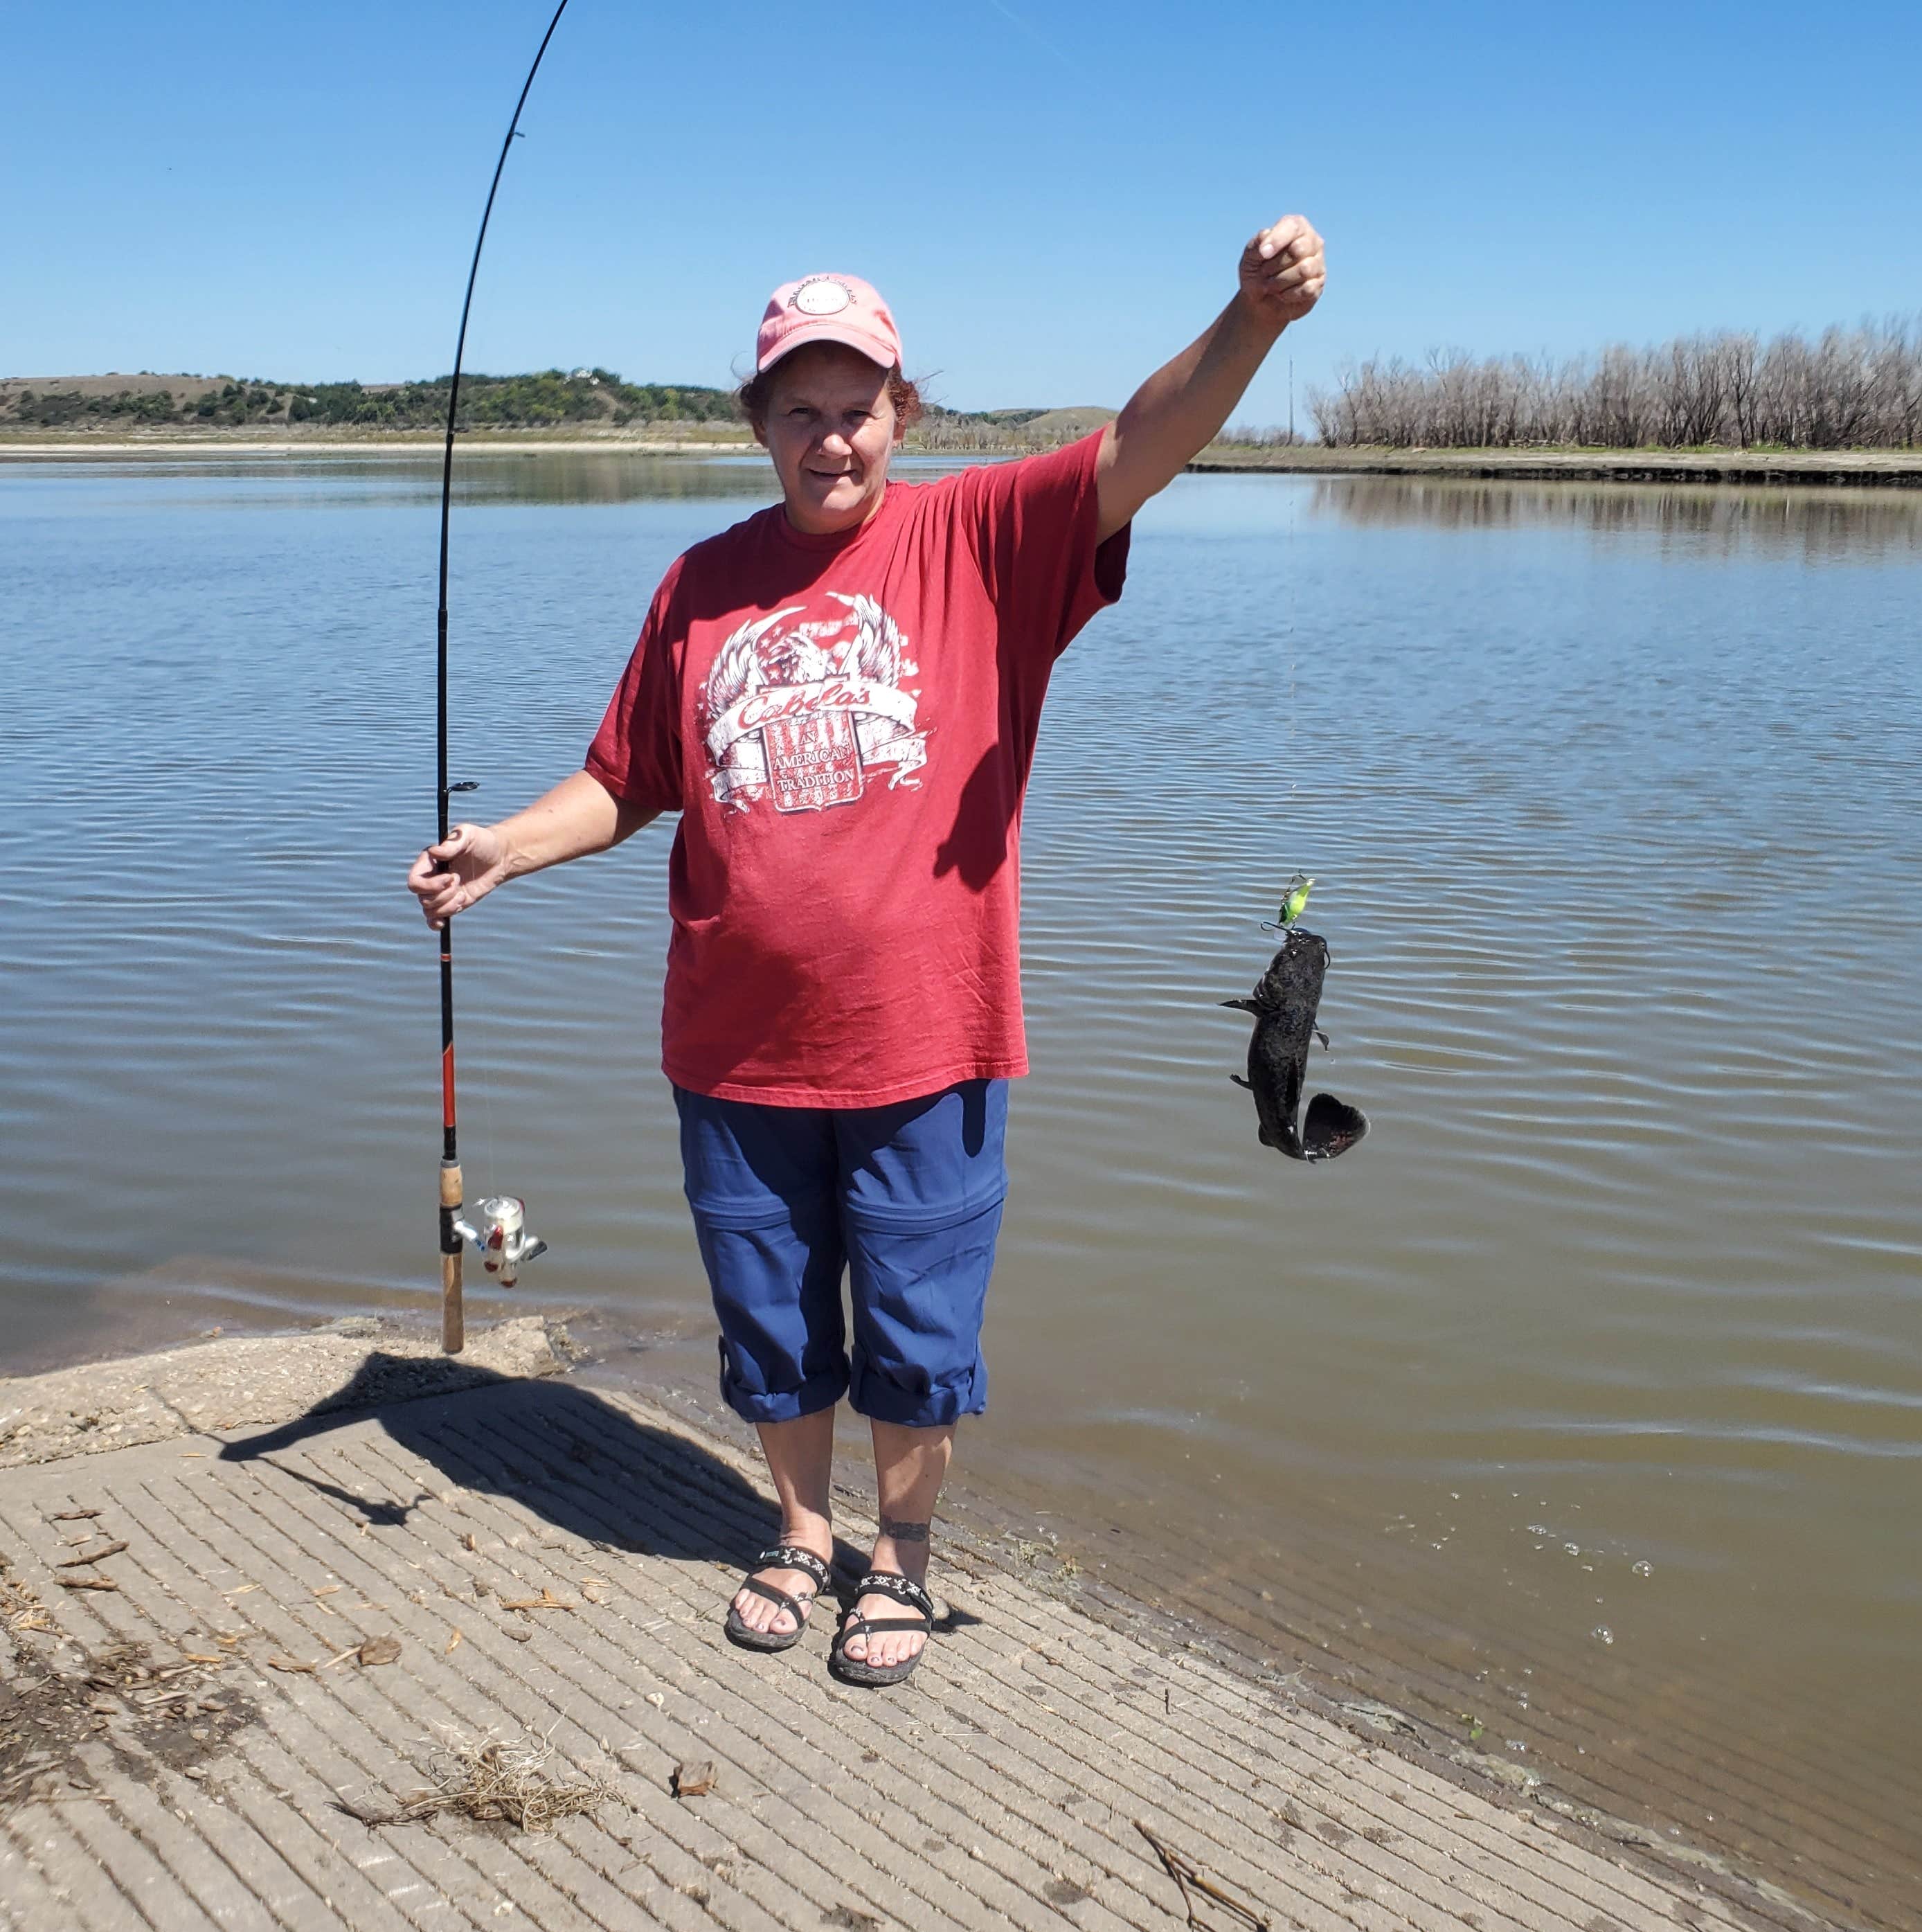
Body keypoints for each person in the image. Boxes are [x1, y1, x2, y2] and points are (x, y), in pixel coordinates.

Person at [408, 216, 1327, 1687]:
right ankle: (795, 1528)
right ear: (759, 422)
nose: (831, 441)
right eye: (801, 411)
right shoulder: (699, 584)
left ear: (906, 412)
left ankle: (898, 1558)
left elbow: (1138, 447)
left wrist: (1251, 326)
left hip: (929, 1038)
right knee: (769, 1316)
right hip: (733, 1045)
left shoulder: (984, 540)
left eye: (859, 410)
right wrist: (507, 844)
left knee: (916, 1324)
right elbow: (635, 776)